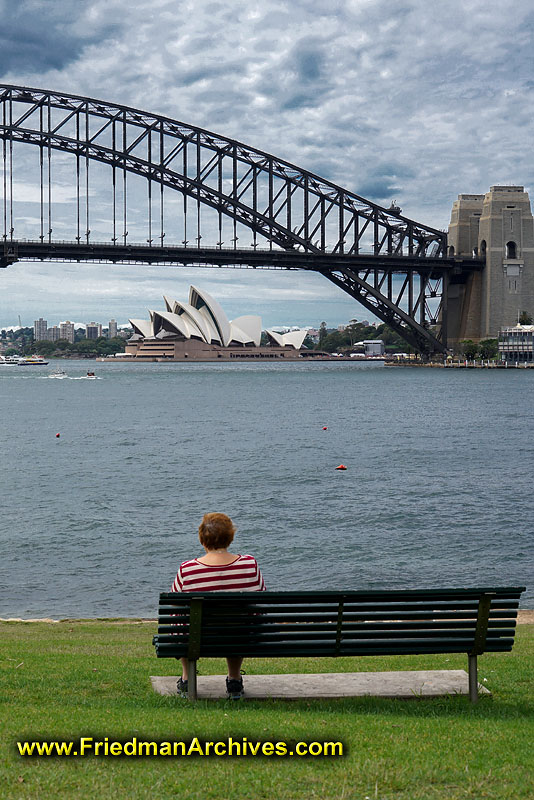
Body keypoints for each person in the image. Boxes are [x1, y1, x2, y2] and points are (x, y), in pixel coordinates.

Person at [171, 512, 266, 699]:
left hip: (199, 640)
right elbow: (259, 601)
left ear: (202, 540)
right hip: (240, 636)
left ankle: (187, 678)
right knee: (239, 620)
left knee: (181, 622)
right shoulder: (249, 564)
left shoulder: (187, 569)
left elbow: (176, 606)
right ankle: (234, 680)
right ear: (230, 537)